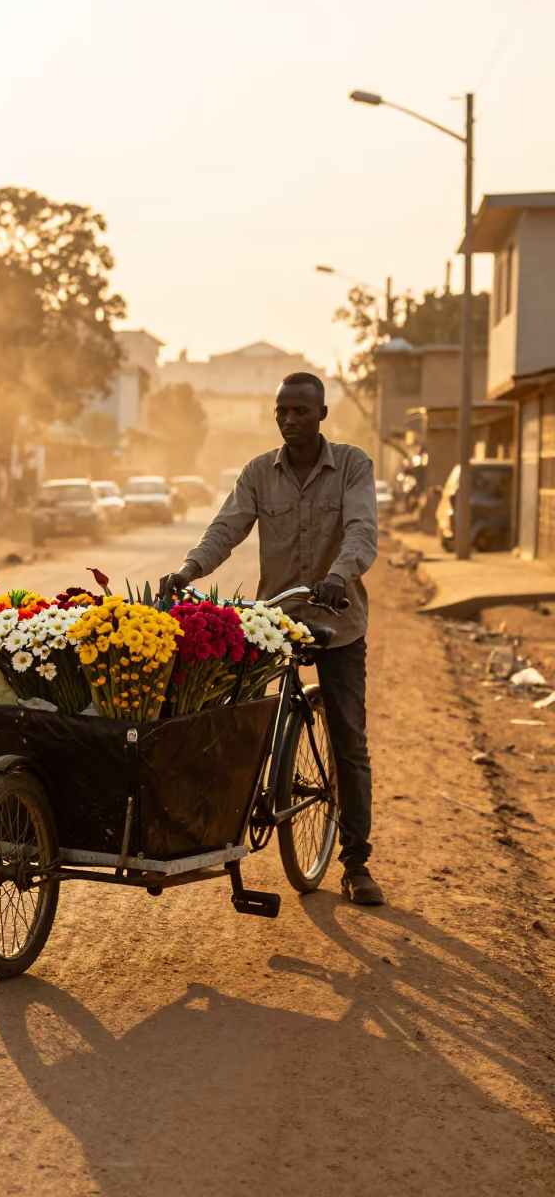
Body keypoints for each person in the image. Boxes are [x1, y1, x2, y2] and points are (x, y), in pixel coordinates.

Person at [159, 372, 383, 905]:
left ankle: (355, 863)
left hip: (339, 622)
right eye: (282, 410)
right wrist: (188, 571)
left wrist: (340, 573)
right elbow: (226, 528)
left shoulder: (353, 465)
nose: (289, 419)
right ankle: (237, 820)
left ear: (322, 414)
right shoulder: (260, 472)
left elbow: (362, 529)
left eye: (301, 411)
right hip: (276, 621)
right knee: (240, 724)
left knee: (349, 741)